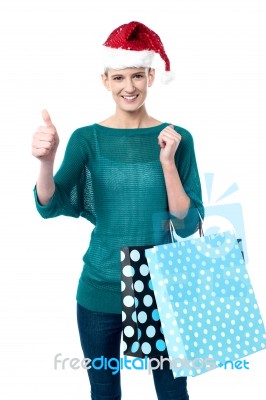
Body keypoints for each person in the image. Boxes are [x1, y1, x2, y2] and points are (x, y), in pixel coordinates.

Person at [32, 21, 204, 400]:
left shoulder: (178, 138)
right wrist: (46, 161)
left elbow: (188, 223)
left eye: (138, 76)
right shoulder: (87, 139)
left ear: (151, 76)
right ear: (106, 80)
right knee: (105, 391)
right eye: (120, 77)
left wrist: (168, 163)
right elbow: (50, 204)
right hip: (100, 287)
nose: (130, 87)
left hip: (163, 288)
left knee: (174, 392)